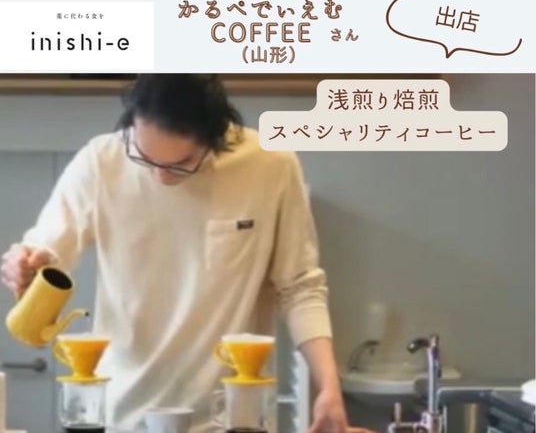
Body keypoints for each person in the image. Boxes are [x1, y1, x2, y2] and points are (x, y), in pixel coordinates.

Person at [1, 75, 375, 433]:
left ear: (217, 135)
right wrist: (25, 265)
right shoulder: (101, 161)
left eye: (181, 164)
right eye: (145, 158)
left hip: (233, 417)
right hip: (125, 413)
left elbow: (300, 287)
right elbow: (47, 251)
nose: (161, 177)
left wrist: (329, 388)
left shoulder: (271, 165)